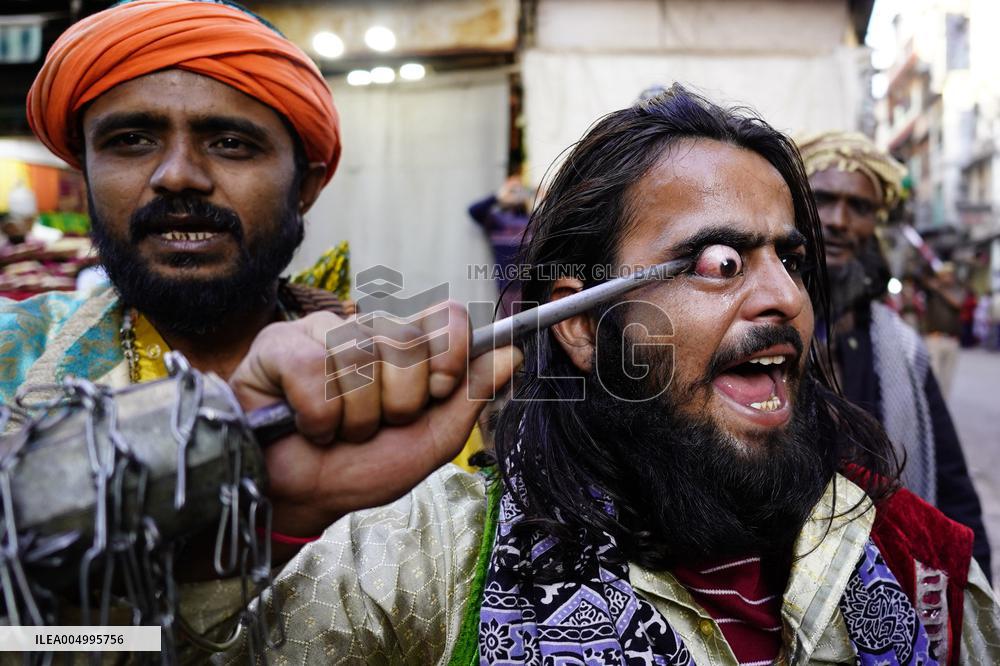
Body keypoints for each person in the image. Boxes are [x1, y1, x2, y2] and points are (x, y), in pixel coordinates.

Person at [216, 86, 1000, 663]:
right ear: (586, 326)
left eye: (790, 260)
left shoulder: (907, 555)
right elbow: (105, 643)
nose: (787, 299)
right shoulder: (422, 562)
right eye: (719, 261)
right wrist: (247, 529)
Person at [1, 0, 519, 655]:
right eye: (130, 139)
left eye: (231, 142)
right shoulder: (13, 361)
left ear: (308, 182)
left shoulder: (409, 400)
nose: (178, 175)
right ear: (84, 173)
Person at [797, 132, 991, 580]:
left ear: (875, 223)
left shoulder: (901, 348)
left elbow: (953, 489)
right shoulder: (757, 326)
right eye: (823, 199)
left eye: (859, 207)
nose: (839, 220)